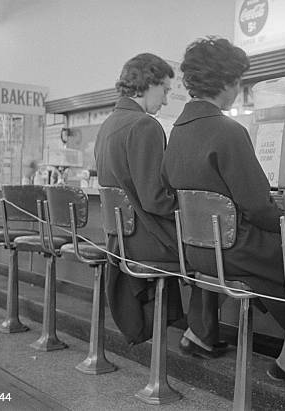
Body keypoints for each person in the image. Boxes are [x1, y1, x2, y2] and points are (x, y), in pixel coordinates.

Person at [161, 37, 285, 382]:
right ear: (227, 82)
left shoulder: (176, 132)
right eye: (238, 81)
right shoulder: (229, 131)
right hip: (234, 250)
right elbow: (258, 207)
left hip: (199, 252)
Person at [94, 53, 224, 354]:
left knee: (211, 248)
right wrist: (191, 208)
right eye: (165, 89)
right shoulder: (144, 125)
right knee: (217, 249)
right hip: (147, 240)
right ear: (148, 83)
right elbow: (156, 200)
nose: (166, 100)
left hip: (122, 240)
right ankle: (201, 332)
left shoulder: (109, 124)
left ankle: (201, 332)